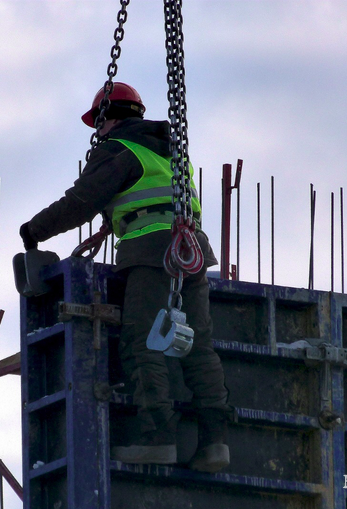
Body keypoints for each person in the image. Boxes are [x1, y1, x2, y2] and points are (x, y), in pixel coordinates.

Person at [19, 83, 231, 472]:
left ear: (108, 118)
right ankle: (214, 443)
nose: (95, 134)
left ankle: (158, 440)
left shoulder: (118, 149)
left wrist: (34, 231)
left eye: (97, 125)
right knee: (197, 347)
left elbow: (79, 202)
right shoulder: (167, 151)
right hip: (192, 252)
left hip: (152, 251)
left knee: (142, 343)